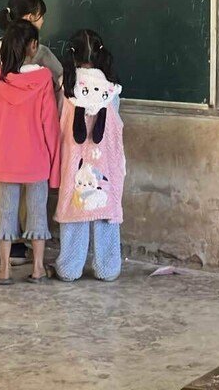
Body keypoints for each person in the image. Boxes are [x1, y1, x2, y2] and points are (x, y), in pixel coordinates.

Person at [0, 0, 63, 263]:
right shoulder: (41, 62)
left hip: (5, 148)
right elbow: (58, 89)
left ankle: (2, 253)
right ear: (29, 18)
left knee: (5, 203)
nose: (43, 21)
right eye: (41, 16)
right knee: (35, 206)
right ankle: (34, 262)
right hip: (35, 150)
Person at [54, 29, 126, 282]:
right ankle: (109, 267)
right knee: (105, 209)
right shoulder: (111, 88)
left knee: (75, 208)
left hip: (74, 161)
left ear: (72, 55)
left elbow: (57, 117)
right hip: (106, 162)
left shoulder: (66, 84)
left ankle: (69, 268)